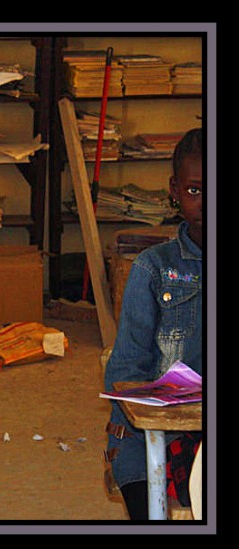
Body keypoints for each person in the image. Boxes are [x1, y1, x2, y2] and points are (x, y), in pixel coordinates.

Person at [104, 128, 203, 520]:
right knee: (145, 488)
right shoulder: (153, 268)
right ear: (174, 192)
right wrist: (125, 434)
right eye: (195, 190)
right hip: (163, 429)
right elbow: (127, 370)